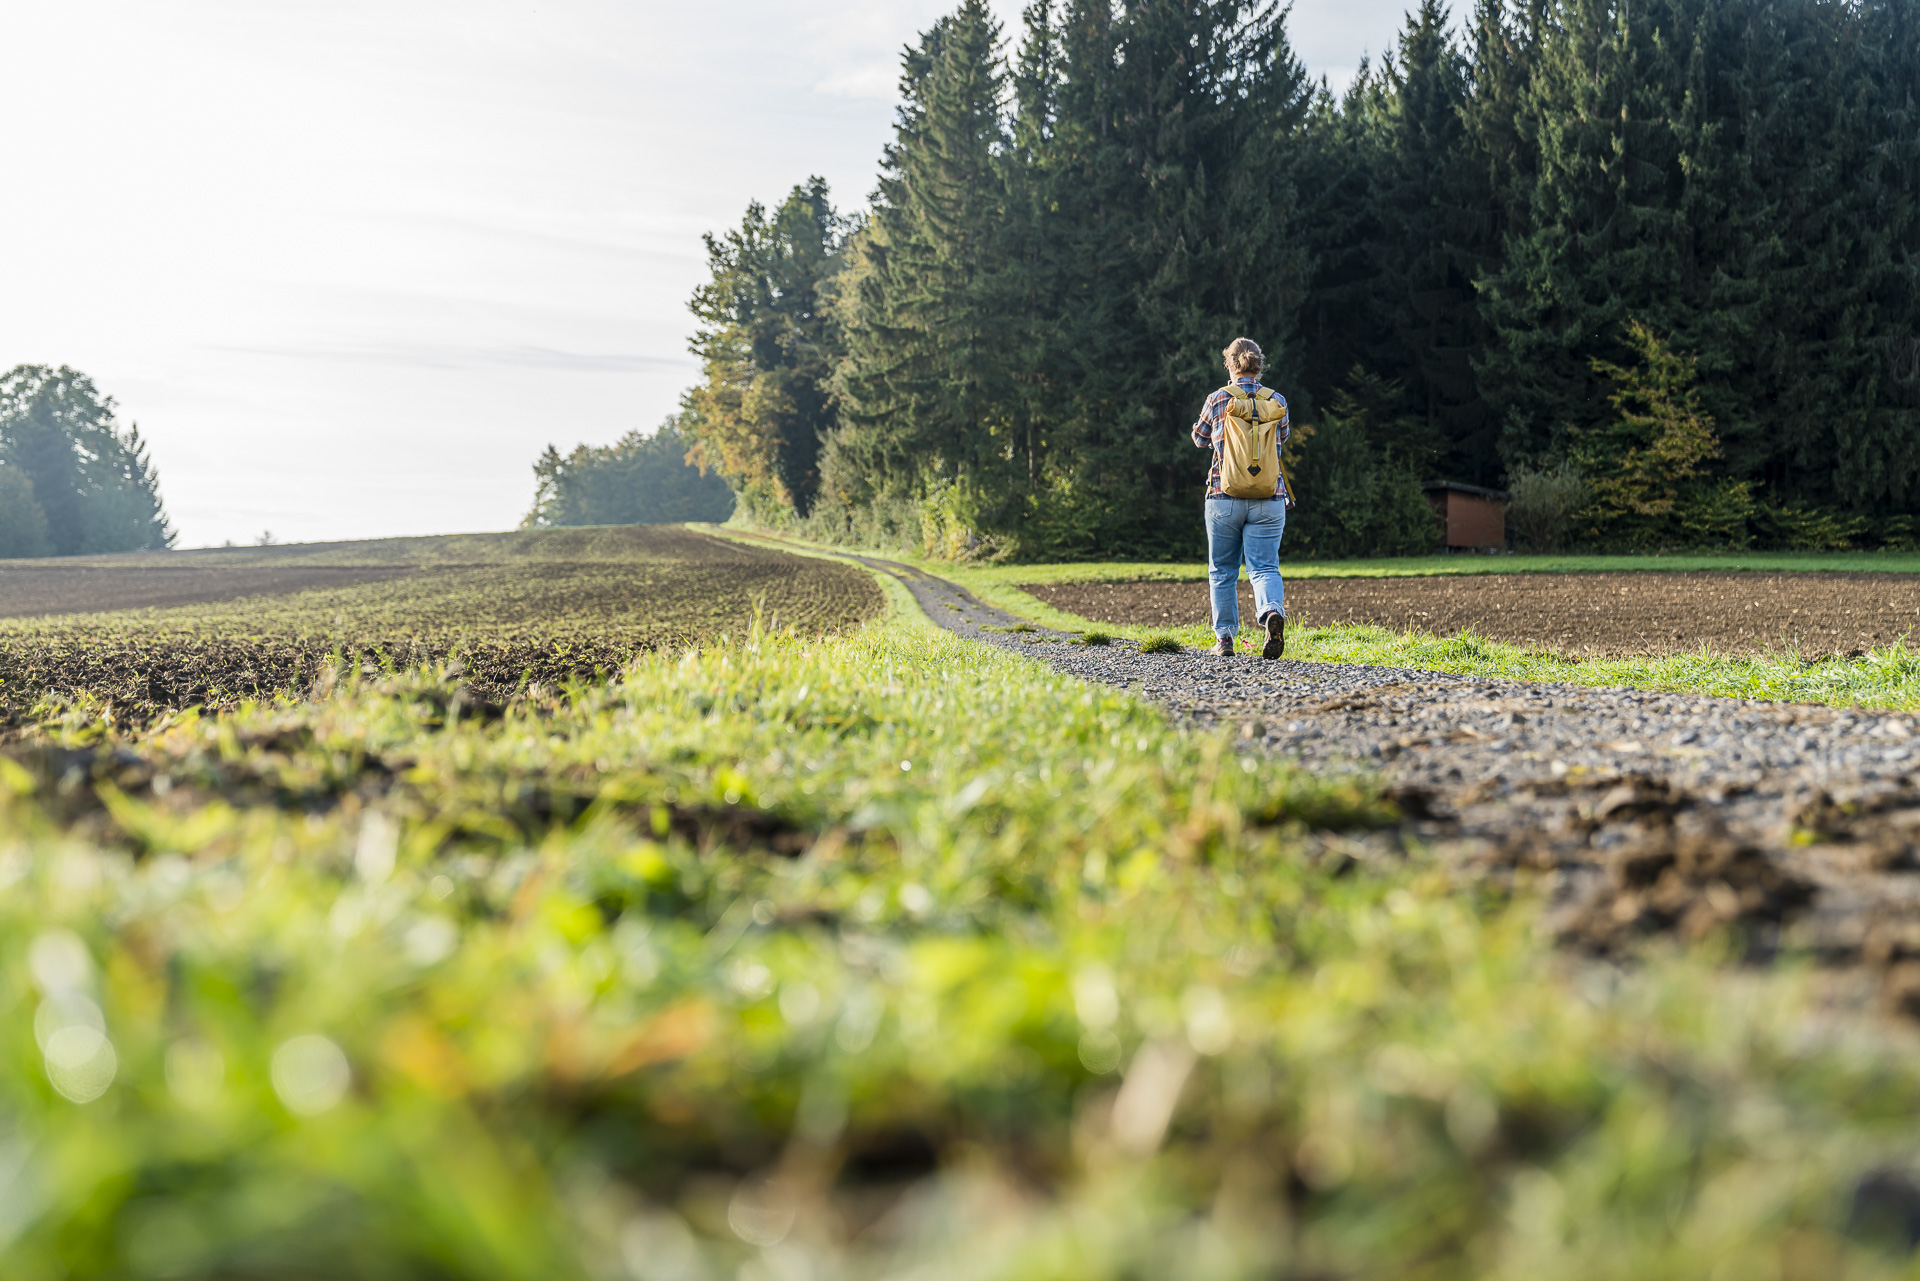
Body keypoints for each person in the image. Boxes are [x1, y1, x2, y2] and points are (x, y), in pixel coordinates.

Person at [1191, 337, 1291, 658]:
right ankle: (1271, 611)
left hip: (1223, 495)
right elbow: (1283, 436)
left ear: (1230, 365)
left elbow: (1199, 437)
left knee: (1222, 570)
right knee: (1264, 567)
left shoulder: (1217, 398)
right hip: (1270, 496)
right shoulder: (1277, 400)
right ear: (1259, 365)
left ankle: (1225, 640)